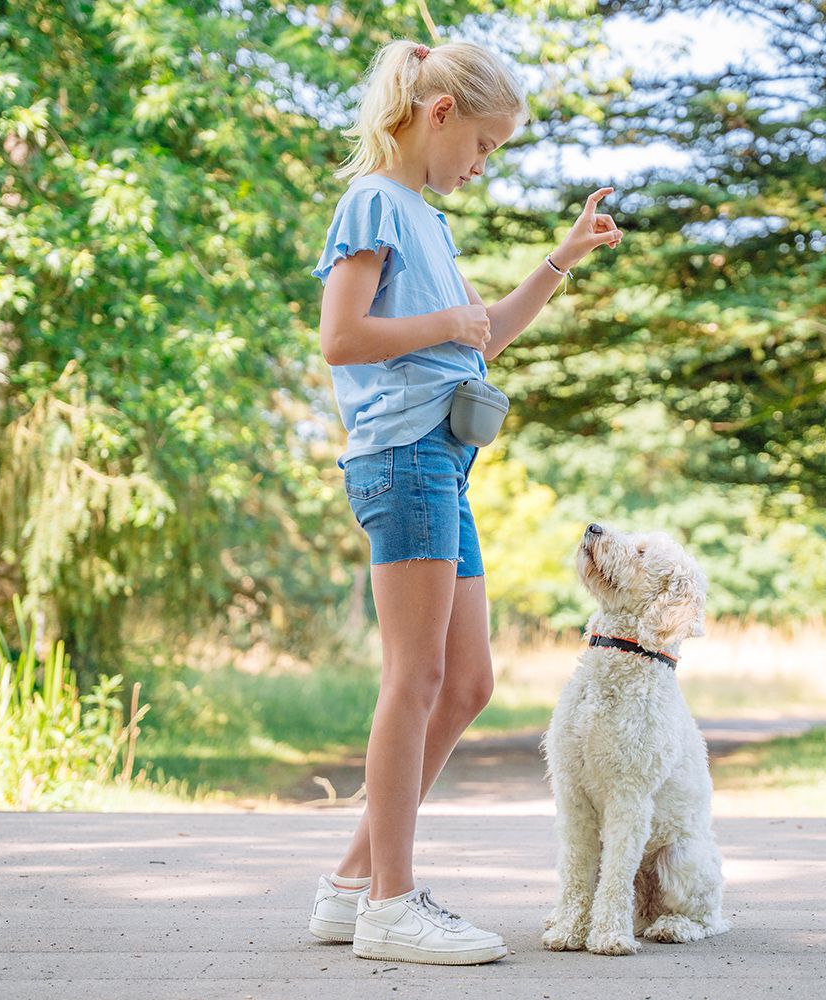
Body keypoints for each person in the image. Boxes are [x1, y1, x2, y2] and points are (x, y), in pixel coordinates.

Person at [308, 37, 623, 966]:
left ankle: (347, 888)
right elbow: (341, 336)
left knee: (469, 681)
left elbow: (479, 340)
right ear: (438, 113)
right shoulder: (374, 200)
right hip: (403, 457)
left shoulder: (424, 219)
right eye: (482, 145)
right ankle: (391, 906)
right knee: (414, 679)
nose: (483, 165)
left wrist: (559, 262)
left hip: (444, 461)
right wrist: (444, 324)